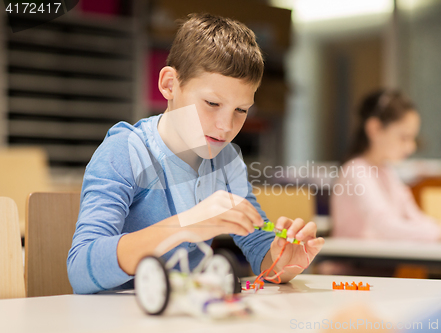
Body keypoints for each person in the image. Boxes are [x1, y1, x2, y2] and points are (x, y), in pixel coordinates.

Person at [67, 13, 324, 294]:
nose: (226, 127)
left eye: (241, 110)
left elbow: (259, 249)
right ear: (169, 85)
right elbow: (80, 269)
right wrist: (188, 223)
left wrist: (283, 259)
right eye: (212, 103)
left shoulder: (227, 161)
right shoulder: (126, 150)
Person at [331, 89, 441, 242]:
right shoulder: (356, 170)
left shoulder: (386, 171)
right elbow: (384, 226)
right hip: (350, 267)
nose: (411, 147)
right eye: (404, 137)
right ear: (375, 128)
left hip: (376, 264)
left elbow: (414, 217)